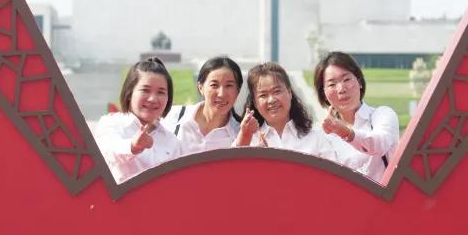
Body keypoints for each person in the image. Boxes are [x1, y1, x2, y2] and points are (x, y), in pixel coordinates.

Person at [234, 62, 372, 175]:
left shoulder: (315, 137)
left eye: (277, 91)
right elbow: (232, 175)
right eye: (263, 95)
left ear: (289, 93)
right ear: (255, 102)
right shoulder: (248, 140)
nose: (271, 100)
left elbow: (333, 181)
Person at [312, 51, 400, 183]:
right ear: (324, 94)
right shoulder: (323, 135)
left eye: (346, 79)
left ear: (359, 82)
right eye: (332, 84)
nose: (341, 89)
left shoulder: (382, 115)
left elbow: (379, 144)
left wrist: (345, 132)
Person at [93, 57, 180, 183]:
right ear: (129, 93)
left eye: (161, 92)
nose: (153, 99)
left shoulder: (171, 140)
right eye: (145, 90)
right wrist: (133, 146)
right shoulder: (110, 124)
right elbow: (109, 151)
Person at [161, 56, 243, 155]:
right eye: (214, 85)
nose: (221, 94)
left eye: (229, 86)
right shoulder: (172, 117)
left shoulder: (241, 133)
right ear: (200, 88)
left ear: (238, 91)